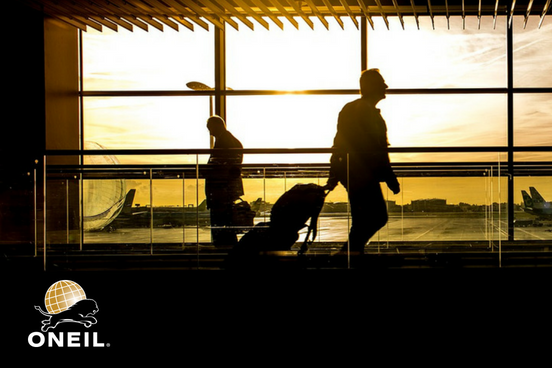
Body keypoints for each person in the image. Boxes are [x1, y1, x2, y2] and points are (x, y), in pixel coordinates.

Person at [324, 69, 400, 256]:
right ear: (372, 86)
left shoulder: (354, 109)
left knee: (364, 219)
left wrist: (334, 174)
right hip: (361, 173)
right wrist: (390, 177)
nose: (386, 86)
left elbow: (340, 143)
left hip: (354, 172)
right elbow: (377, 149)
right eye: (382, 82)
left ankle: (351, 254)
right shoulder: (366, 112)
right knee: (377, 217)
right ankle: (349, 253)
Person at [204, 115, 244, 246]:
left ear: (217, 126)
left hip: (221, 190)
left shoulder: (225, 141)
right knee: (226, 226)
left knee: (221, 226)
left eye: (210, 128)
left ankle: (223, 251)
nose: (210, 132)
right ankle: (227, 251)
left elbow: (223, 165)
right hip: (225, 190)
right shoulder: (230, 140)